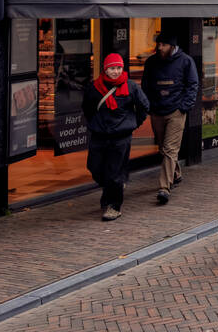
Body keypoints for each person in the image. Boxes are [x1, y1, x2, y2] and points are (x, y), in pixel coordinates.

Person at [83, 54, 149, 221]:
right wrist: (96, 123)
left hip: (121, 136)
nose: (116, 71)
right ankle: (111, 191)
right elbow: (87, 108)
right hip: (99, 135)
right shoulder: (94, 87)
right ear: (105, 69)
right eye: (112, 68)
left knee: (115, 173)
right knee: (95, 167)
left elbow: (144, 106)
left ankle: (114, 206)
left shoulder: (131, 87)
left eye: (119, 68)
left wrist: (133, 124)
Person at [141, 33, 199, 205]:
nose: (160, 48)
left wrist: (184, 107)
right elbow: (145, 85)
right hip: (157, 110)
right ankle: (176, 173)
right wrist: (149, 105)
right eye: (158, 44)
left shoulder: (186, 61)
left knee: (170, 149)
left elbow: (193, 84)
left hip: (176, 111)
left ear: (173, 46)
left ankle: (164, 188)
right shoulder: (151, 62)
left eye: (164, 44)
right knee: (162, 146)